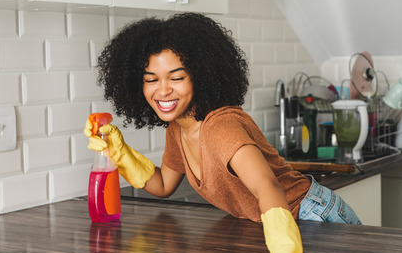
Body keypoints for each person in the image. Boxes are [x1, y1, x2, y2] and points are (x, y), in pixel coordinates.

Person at [87, 12, 361, 225]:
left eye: (177, 77)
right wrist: (119, 152)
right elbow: (163, 186)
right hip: (278, 221)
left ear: (201, 75)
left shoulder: (220, 126)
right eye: (151, 80)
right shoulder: (178, 128)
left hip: (313, 215)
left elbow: (269, 188)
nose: (163, 90)